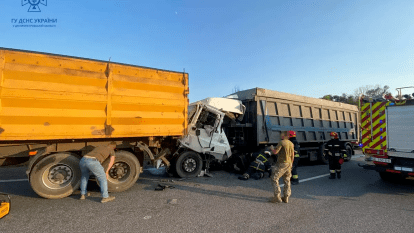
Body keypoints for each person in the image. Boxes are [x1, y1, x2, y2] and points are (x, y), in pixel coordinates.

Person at [269, 131, 294, 204]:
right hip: (289, 164)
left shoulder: (281, 142)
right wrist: (291, 164)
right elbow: (292, 156)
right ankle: (286, 197)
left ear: (284, 136)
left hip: (282, 163)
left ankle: (277, 197)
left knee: (274, 178)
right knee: (287, 179)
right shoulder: (291, 143)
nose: (280, 136)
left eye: (282, 135)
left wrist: (272, 148)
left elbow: (275, 152)